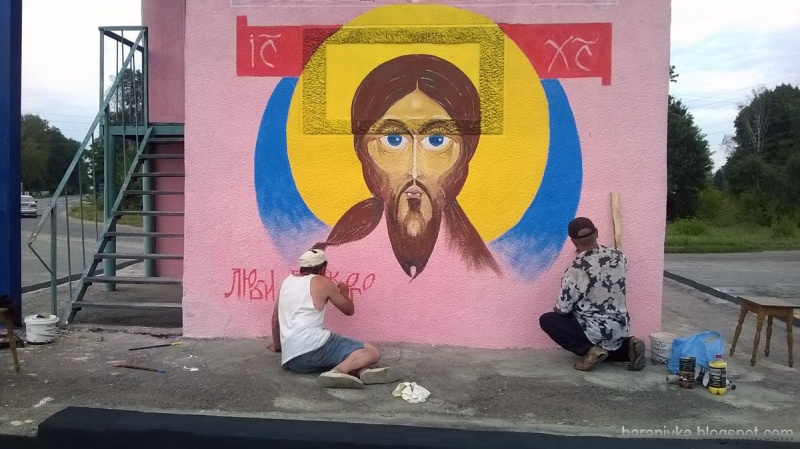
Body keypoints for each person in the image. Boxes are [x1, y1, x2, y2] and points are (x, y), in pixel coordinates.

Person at [314, 54, 500, 279]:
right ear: (361, 150)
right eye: (393, 140)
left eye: (437, 141)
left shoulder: (484, 271)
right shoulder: (335, 254)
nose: (414, 170)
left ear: (466, 155)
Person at [267, 249, 401, 388]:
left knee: (347, 355)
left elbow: (275, 319)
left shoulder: (287, 282)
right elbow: (349, 310)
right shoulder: (323, 282)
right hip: (313, 347)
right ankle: (337, 372)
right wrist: (344, 293)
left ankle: (362, 371)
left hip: (294, 362)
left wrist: (278, 347)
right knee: (371, 352)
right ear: (323, 268)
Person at [539, 217, 646, 371]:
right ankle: (629, 346)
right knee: (607, 341)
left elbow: (563, 309)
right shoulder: (619, 257)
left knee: (547, 320)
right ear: (597, 233)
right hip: (620, 326)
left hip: (594, 329)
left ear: (573, 242)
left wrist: (560, 309)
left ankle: (589, 351)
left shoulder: (577, 269)